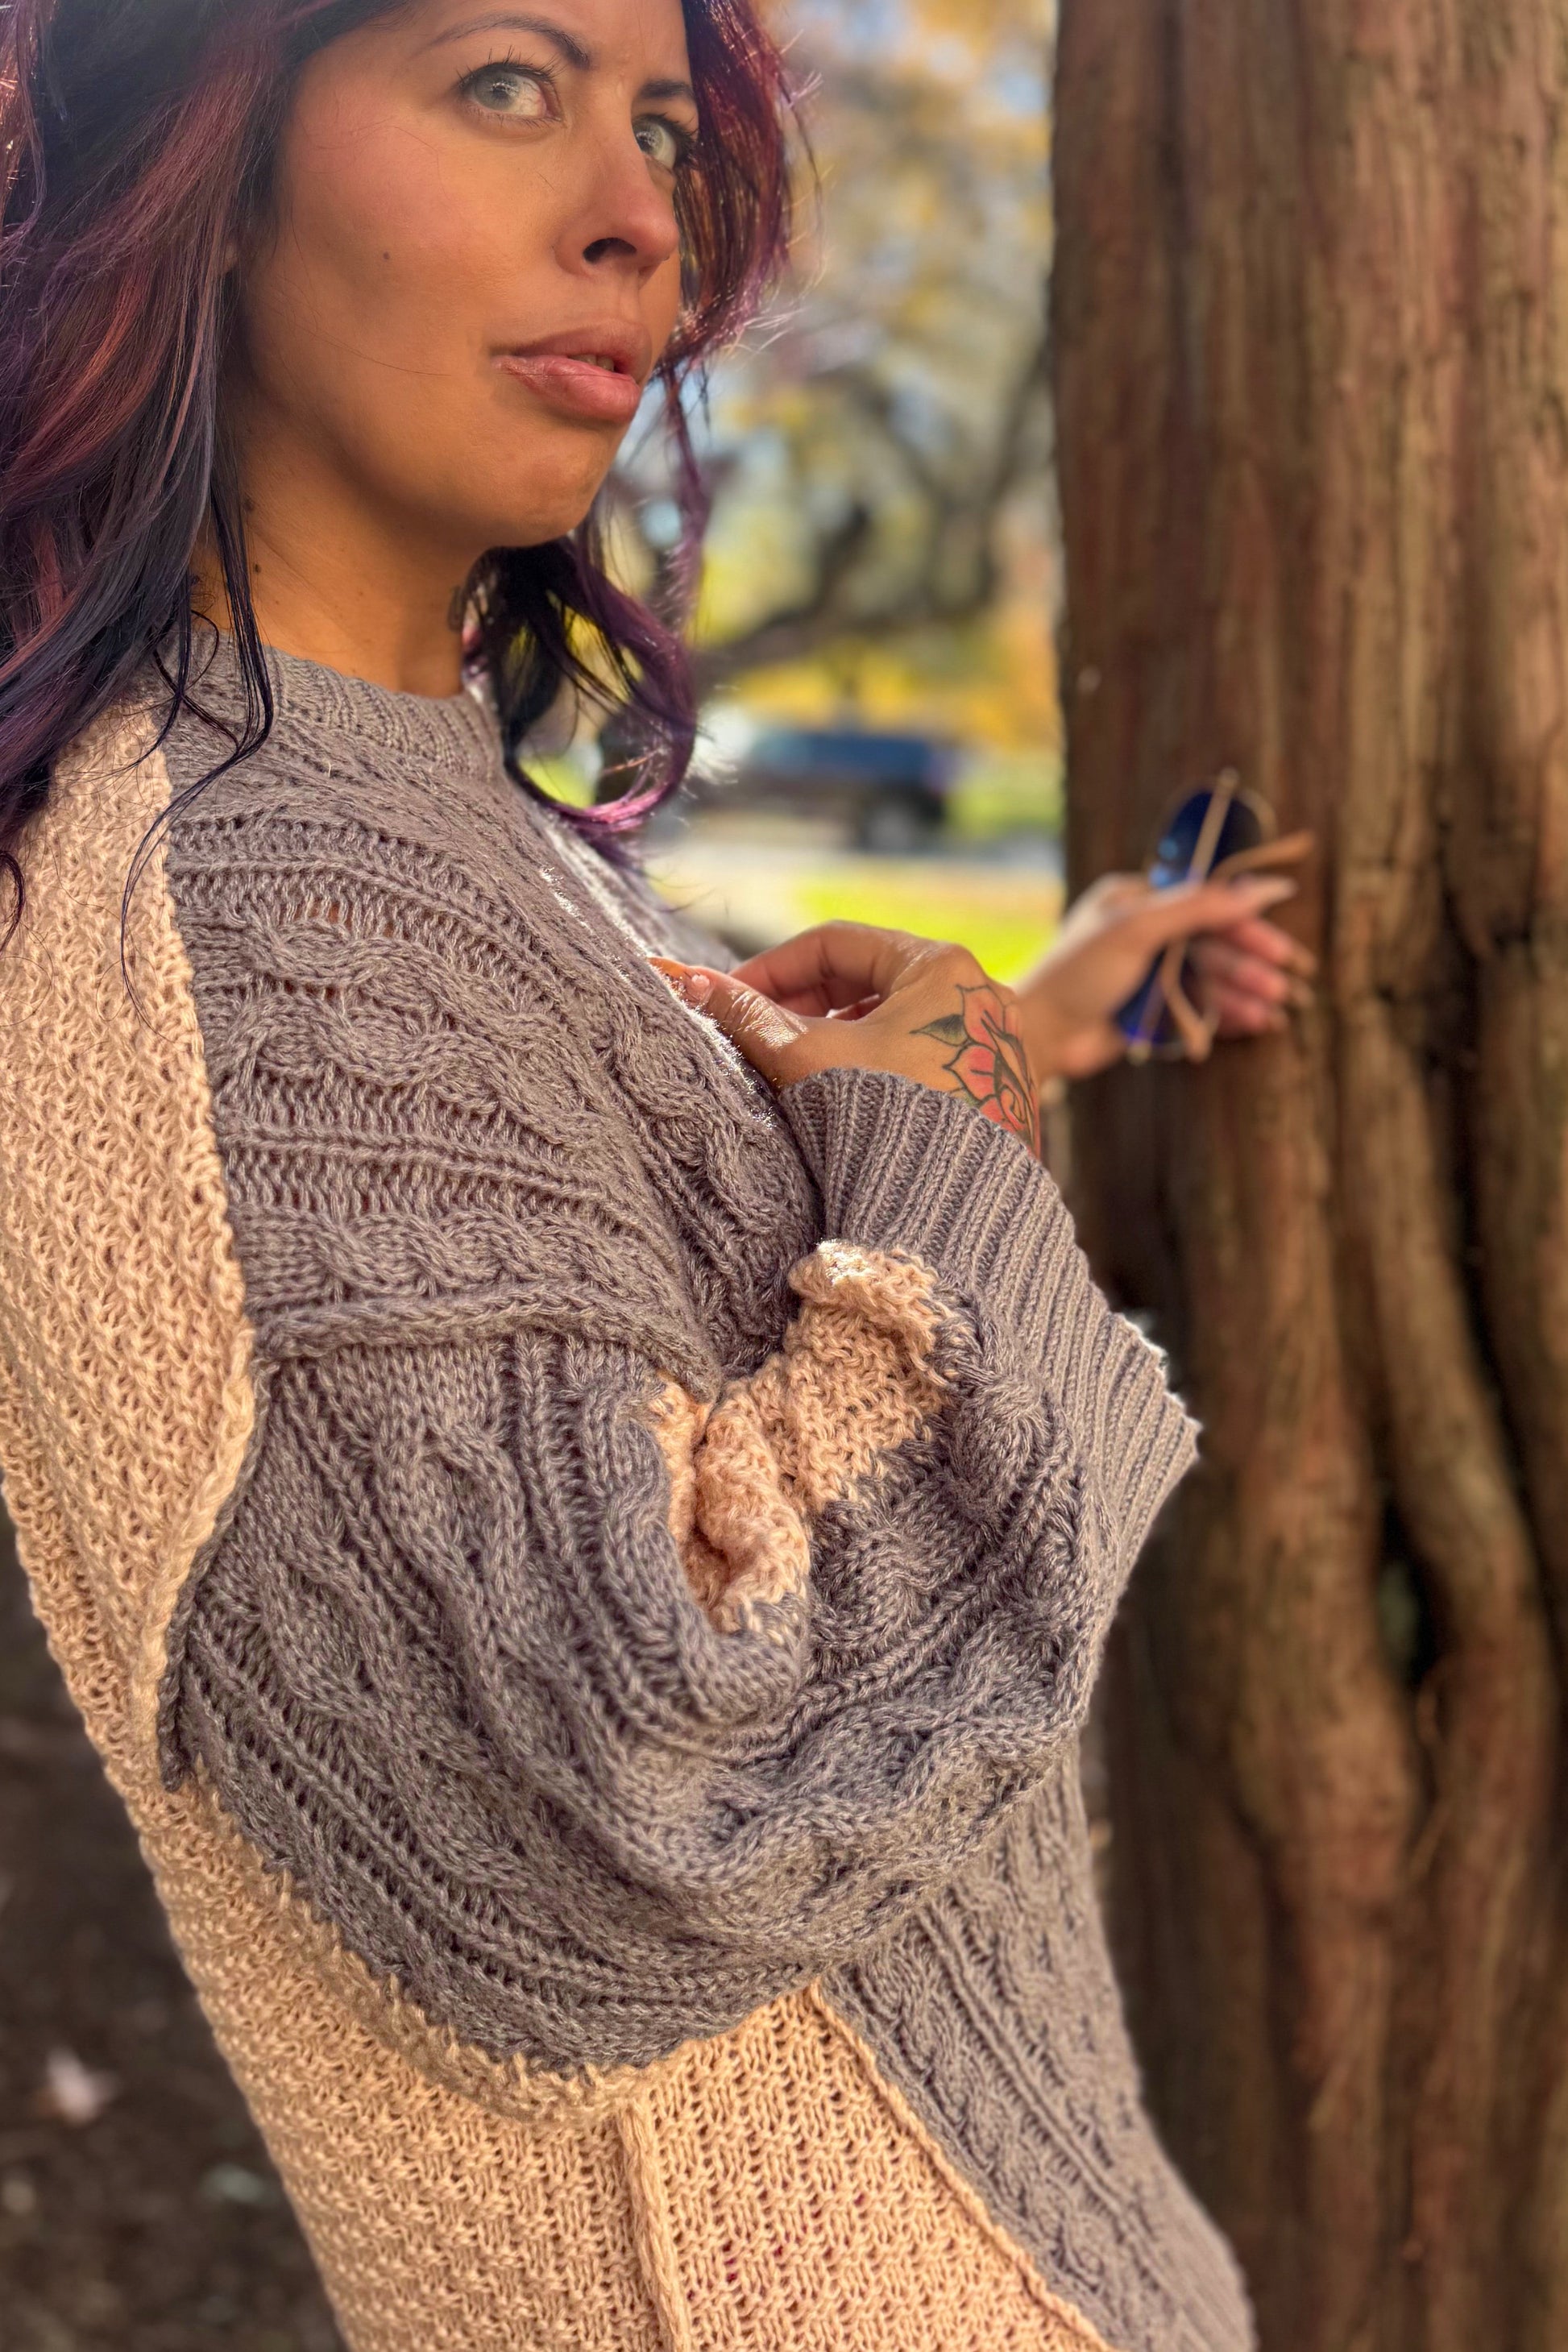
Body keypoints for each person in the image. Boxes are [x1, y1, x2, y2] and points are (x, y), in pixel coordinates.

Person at [0, 4, 1284, 2347]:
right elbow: (656, 1780)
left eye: (664, 130)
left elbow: (656, 1322)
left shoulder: (396, 817)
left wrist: (1032, 1015)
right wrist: (949, 1120)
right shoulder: (258, 904)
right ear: (207, 155)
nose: (635, 218)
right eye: (506, 83)